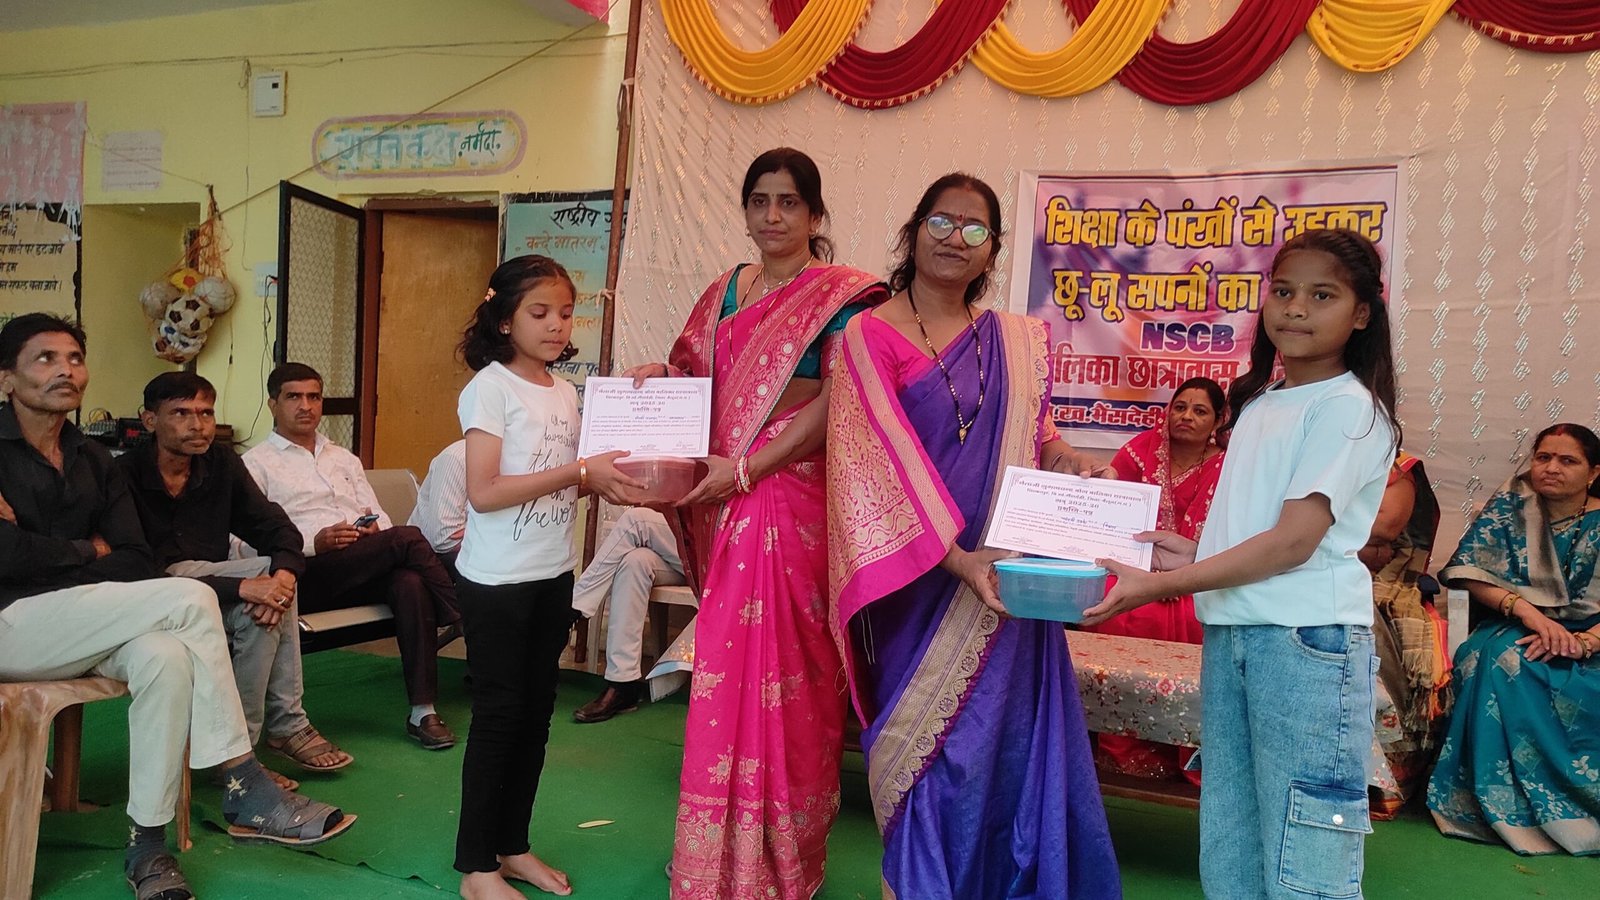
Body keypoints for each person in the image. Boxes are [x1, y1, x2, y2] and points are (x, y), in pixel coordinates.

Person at [827, 173, 1119, 898]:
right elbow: (875, 463)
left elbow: (1040, 433)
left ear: (992, 249)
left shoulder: (1015, 341)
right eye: (941, 221)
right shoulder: (867, 335)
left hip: (1009, 578)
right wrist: (958, 560)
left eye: (975, 229)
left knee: (1003, 746)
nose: (956, 238)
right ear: (913, 230)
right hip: (916, 581)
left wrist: (1069, 460)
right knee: (930, 759)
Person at [1085, 228, 1400, 899]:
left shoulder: (1349, 409)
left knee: (1304, 849)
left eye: (1322, 295)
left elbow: (1293, 544)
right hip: (1234, 632)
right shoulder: (1261, 402)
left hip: (1305, 642)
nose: (1296, 308)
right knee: (1231, 828)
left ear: (1362, 313)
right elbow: (1259, 531)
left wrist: (1165, 584)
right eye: (1283, 291)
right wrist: (1193, 554)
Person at [0, 314, 353, 900]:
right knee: (189, 595)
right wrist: (86, 549)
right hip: (12, 624)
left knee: (164, 655)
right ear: (7, 377)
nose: (65, 370)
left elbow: (133, 558)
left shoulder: (92, 458)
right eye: (45, 358)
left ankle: (146, 844)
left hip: (90, 617)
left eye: (74, 358)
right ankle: (242, 781)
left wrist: (41, 551)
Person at [625, 147, 889, 899]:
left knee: (794, 682)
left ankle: (780, 860)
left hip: (790, 498)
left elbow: (840, 400)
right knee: (725, 673)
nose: (773, 216)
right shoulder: (723, 292)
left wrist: (751, 466)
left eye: (789, 202)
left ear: (815, 213)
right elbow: (694, 377)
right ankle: (715, 858)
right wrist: (661, 378)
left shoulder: (844, 297)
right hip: (724, 496)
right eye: (760, 201)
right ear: (745, 210)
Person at [451, 254, 644, 900]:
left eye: (565, 312)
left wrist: (633, 419)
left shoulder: (563, 391)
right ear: (504, 319)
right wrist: (580, 473)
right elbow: (485, 492)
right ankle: (476, 867)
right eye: (540, 313)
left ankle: (512, 846)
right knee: (499, 717)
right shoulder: (490, 388)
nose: (557, 325)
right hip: (496, 583)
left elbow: (566, 479)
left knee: (535, 718)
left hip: (551, 574)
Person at [120, 371, 352, 782]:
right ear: (150, 419)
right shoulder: (123, 474)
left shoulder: (222, 464)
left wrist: (283, 577)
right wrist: (243, 586)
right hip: (154, 599)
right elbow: (140, 570)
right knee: (259, 591)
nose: (198, 425)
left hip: (213, 593)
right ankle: (277, 731)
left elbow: (277, 529)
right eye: (181, 413)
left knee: (268, 600)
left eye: (206, 413)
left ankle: (238, 751)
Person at [243, 362, 462, 750]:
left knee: (409, 581)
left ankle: (422, 712)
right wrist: (315, 542)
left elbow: (382, 518)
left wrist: (371, 531)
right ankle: (462, 616)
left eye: (314, 397)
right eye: (294, 397)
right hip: (303, 574)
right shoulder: (254, 465)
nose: (305, 406)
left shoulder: (343, 458)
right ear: (274, 404)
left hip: (357, 564)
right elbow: (244, 545)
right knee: (408, 539)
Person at [1426, 422, 1600, 856]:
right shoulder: (1512, 507)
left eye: (1568, 460)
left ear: (1594, 472)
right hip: (1518, 623)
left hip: (1593, 638)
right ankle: (1498, 803)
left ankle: (1572, 806)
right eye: (1544, 457)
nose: (1552, 468)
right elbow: (1470, 573)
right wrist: (1529, 614)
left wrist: (1585, 642)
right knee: (1494, 656)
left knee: (1527, 662)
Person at [1084, 376, 1226, 784]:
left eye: (1200, 411)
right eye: (1180, 407)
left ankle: (1184, 749)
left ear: (1218, 420)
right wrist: (1104, 481)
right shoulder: (1140, 451)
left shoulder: (1229, 466)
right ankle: (1121, 750)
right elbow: (1114, 507)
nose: (1186, 416)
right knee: (1113, 606)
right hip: (1133, 569)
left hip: (1200, 575)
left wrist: (1179, 577)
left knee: (1196, 618)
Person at [1362, 450, 1448, 820]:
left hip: (1377, 581)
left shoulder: (1399, 468)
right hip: (1302, 568)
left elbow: (1382, 530)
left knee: (1360, 625)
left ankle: (1376, 776)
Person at [569, 506, 688, 723]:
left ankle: (573, 609)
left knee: (636, 520)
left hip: (727, 549)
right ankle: (623, 683)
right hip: (689, 547)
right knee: (634, 562)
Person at [410, 438, 467, 577]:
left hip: (482, 550)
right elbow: (445, 540)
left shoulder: (517, 464)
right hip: (430, 557)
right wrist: (484, 534)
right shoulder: (457, 458)